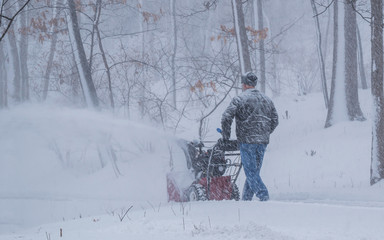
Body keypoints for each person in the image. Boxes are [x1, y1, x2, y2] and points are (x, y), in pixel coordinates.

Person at [221, 71, 278, 201]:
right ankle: (246, 199)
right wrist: (264, 132)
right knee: (254, 172)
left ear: (245, 84)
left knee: (251, 172)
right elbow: (275, 120)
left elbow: (226, 117)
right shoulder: (267, 100)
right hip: (262, 141)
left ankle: (264, 197)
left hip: (247, 141)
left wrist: (226, 137)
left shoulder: (239, 99)